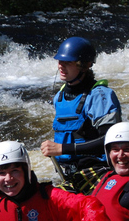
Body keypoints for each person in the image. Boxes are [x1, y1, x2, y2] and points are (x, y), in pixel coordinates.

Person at [40, 37, 122, 194]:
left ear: (85, 65)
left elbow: (111, 140)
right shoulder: (60, 96)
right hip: (70, 175)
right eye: (59, 61)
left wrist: (62, 148)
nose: (61, 66)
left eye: (68, 62)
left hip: (97, 173)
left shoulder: (99, 96)